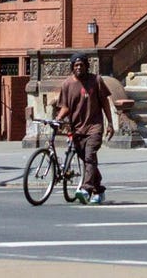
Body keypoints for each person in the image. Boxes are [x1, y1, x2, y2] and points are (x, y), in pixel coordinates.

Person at [53, 54, 117, 205]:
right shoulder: (67, 84)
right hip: (77, 129)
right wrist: (58, 119)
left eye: (81, 65)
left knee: (90, 156)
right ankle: (99, 190)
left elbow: (105, 103)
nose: (79, 67)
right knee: (88, 161)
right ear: (72, 67)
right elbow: (65, 107)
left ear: (87, 66)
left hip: (94, 127)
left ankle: (86, 189)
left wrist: (110, 123)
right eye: (76, 65)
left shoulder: (96, 81)